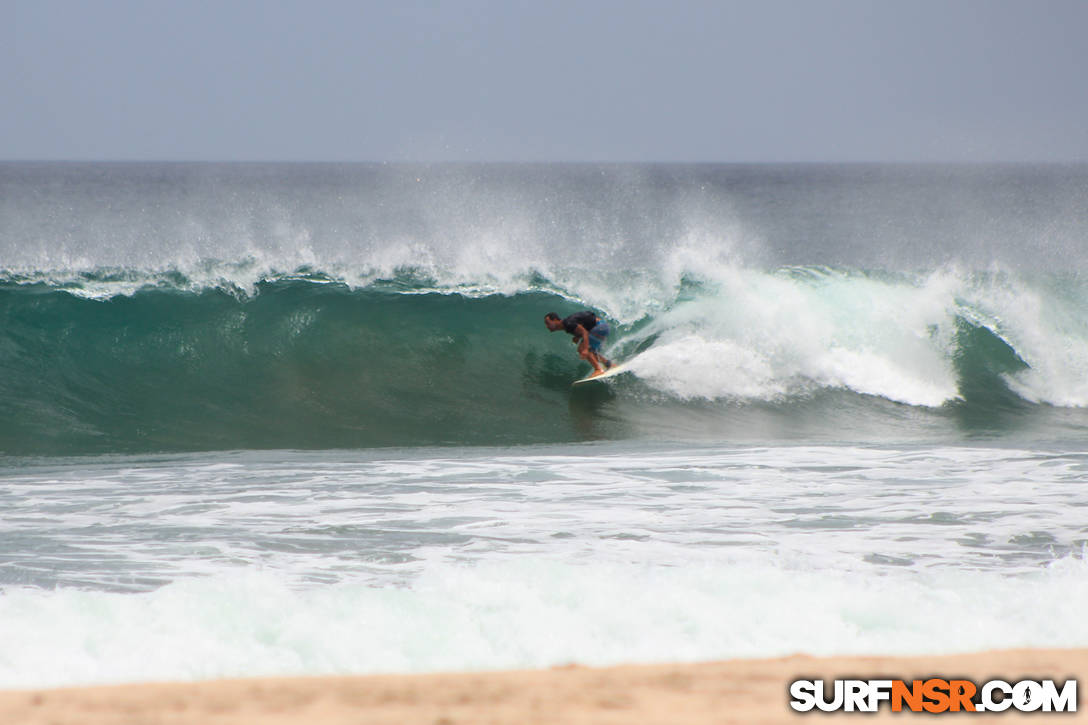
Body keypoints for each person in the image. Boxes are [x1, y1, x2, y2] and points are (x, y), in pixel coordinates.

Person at [544, 310, 613, 376]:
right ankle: (608, 364)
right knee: (591, 353)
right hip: (602, 326)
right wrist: (577, 336)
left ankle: (598, 369)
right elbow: (584, 327)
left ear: (555, 320)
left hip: (600, 326)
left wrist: (585, 349)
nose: (547, 326)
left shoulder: (568, 323)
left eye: (548, 323)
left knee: (582, 349)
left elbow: (584, 332)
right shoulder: (567, 325)